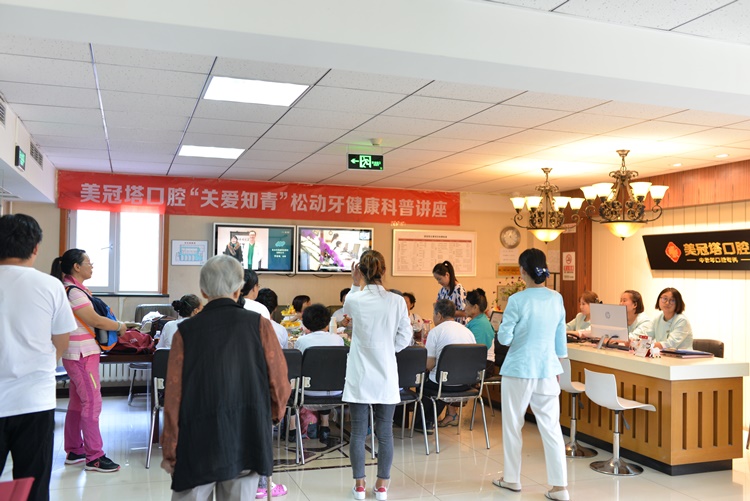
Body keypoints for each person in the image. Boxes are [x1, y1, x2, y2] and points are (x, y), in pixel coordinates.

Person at [160, 255, 290, 500]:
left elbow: (174, 395)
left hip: (197, 442)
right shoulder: (260, 325)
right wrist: (270, 418)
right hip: (246, 436)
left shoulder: (185, 332)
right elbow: (279, 382)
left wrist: (171, 446)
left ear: (203, 291)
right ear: (239, 289)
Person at [0, 214, 76, 501]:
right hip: (35, 400)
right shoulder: (50, 285)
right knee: (33, 486)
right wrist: (42, 366)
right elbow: (61, 340)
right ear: (35, 248)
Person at [492, 248, 569, 501]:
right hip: (548, 369)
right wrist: (557, 365)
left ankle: (512, 478)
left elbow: (504, 337)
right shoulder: (556, 298)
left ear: (522, 271)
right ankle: (560, 487)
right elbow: (560, 338)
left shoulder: (517, 300)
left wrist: (514, 333)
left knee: (513, 425)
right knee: (552, 428)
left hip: (519, 369)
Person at [51, 248, 127, 473]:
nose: (91, 266)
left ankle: (75, 450)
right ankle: (95, 457)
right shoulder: (73, 292)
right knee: (92, 403)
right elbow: (95, 320)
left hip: (79, 354)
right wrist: (120, 326)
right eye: (88, 262)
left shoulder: (73, 289)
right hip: (81, 355)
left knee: (78, 403)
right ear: (76, 267)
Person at [343, 250, 411, 501]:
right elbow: (405, 336)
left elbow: (346, 308)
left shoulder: (355, 298)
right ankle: (382, 486)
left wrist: (354, 283)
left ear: (360, 271)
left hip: (360, 372)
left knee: (358, 431)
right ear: (383, 270)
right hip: (385, 373)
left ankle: (359, 485)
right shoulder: (397, 301)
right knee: (385, 432)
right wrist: (387, 349)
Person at [421, 299, 476, 430]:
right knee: (440, 378)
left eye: (434, 314)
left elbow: (429, 365)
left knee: (423, 381)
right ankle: (429, 421)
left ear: (439, 315)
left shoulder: (436, 332)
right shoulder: (468, 332)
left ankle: (425, 422)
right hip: (465, 384)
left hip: (443, 385)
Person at [293, 303, 345, 443]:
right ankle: (325, 426)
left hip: (309, 392)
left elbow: (298, 366)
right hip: (336, 391)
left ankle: (292, 429)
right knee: (325, 376)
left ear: (306, 323)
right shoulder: (338, 339)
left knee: (295, 380)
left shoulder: (302, 341)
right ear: (327, 322)